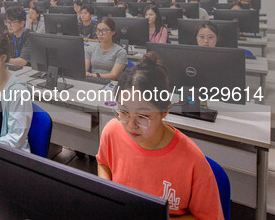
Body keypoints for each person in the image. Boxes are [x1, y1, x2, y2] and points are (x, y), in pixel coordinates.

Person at [96, 53, 224, 219]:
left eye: (143, 116)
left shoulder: (192, 161)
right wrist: (108, 193)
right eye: (124, 112)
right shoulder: (112, 131)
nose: (131, 125)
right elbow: (103, 163)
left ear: (164, 111)